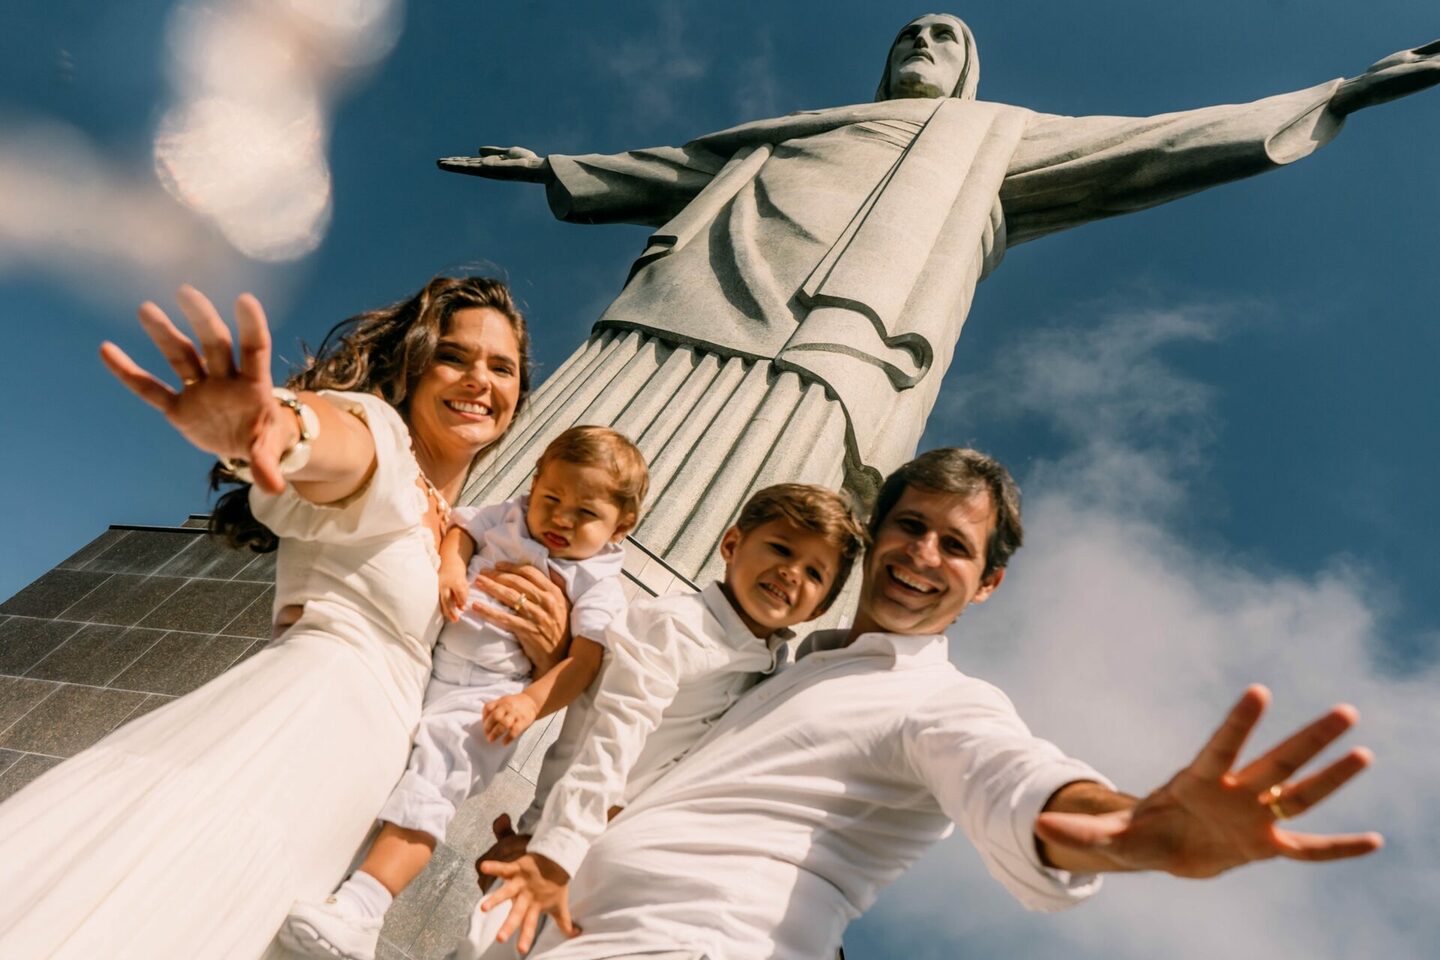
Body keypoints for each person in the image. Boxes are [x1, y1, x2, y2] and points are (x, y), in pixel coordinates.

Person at [441, 16, 1440, 581]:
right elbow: (676, 166)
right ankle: (450, 556)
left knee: (763, 508)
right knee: (573, 441)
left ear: (968, 73)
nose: (924, 40)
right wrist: (555, 167)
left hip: (837, 340)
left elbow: (1160, 143)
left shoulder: (998, 137)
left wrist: (1339, 93)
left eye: (945, 37)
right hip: (688, 299)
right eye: (911, 33)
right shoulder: (801, 127)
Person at [475, 448, 1381, 959]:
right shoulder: (774, 663)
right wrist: (556, 838)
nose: (922, 554)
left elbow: (1009, 772)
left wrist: (1128, 825)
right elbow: (648, 742)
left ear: (985, 585)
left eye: (956, 545)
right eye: (909, 527)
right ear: (873, 545)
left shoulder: (939, 702)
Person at [0, 277, 573, 959]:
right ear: (413, 368)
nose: (479, 380)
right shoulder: (384, 443)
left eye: (501, 367)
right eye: (454, 357)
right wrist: (275, 427)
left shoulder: (471, 535)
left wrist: (546, 658)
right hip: (284, 744)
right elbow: (338, 444)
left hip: (344, 809)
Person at [281, 425, 648, 960]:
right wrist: (453, 564)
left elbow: (581, 665)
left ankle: (365, 906)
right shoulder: (512, 514)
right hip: (429, 661)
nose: (561, 519)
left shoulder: (598, 583)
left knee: (430, 786)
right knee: (373, 761)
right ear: (534, 483)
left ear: (623, 526)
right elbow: (462, 527)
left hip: (487, 700)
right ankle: (323, 874)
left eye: (586, 513)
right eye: (552, 499)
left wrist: (527, 703)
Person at [465, 483, 869, 955]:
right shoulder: (673, 625)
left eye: (814, 573)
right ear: (732, 544)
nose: (790, 571)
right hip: (562, 846)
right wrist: (554, 853)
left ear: (819, 608)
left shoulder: (772, 673)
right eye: (780, 548)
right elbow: (610, 741)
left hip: (644, 887)